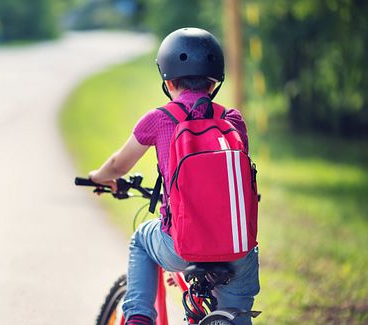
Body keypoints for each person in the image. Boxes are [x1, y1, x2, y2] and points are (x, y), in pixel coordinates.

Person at [87, 28, 260, 325]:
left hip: (180, 245)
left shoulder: (159, 119)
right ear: (215, 81)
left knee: (141, 240)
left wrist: (98, 176)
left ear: (167, 79)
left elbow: (118, 165)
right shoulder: (231, 120)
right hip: (237, 249)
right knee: (237, 316)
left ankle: (139, 317)